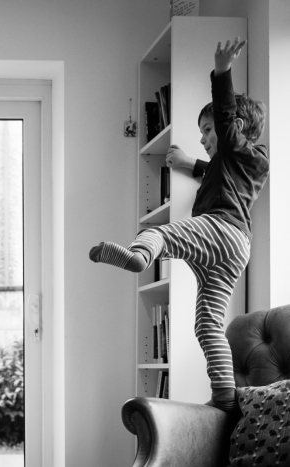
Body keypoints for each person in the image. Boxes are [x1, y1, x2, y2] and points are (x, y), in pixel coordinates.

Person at [89, 37, 269, 412]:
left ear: (234, 126)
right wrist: (190, 164)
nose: (203, 138)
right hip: (233, 250)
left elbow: (224, 122)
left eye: (207, 130)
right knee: (208, 325)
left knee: (159, 233)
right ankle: (226, 399)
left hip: (219, 230)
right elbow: (218, 175)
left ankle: (140, 256)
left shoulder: (237, 149)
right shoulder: (244, 164)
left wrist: (222, 71)